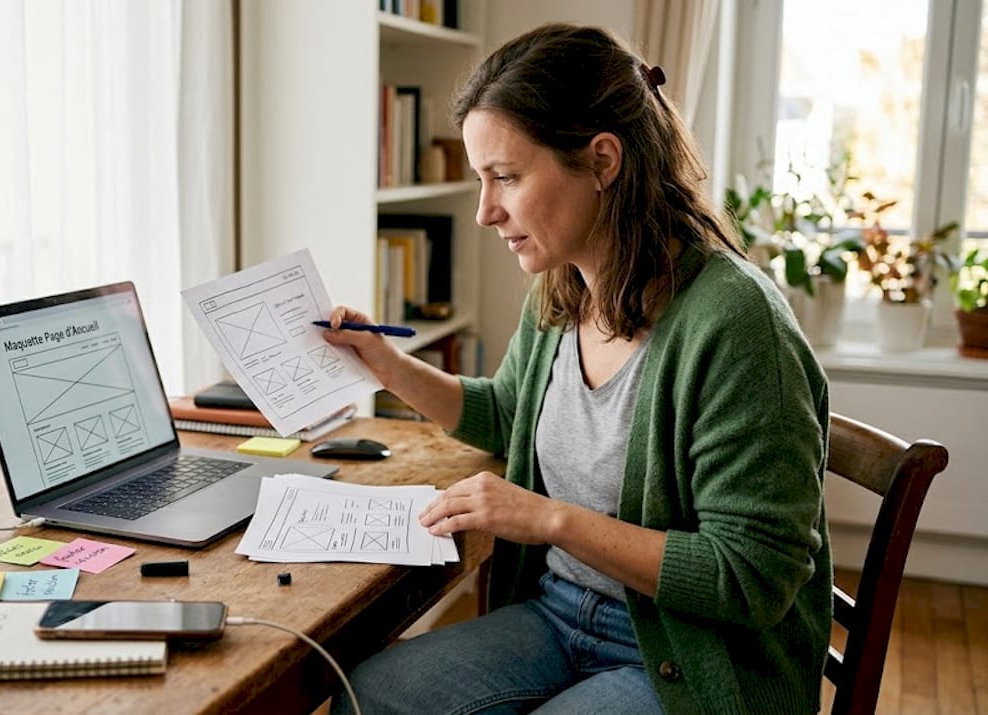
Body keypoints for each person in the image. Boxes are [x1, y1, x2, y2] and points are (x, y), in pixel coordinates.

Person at [324, 22, 832, 715]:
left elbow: (750, 577)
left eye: (505, 176)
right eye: (481, 179)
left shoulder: (737, 324)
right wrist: (385, 364)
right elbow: (506, 413)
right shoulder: (564, 288)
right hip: (562, 611)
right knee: (368, 693)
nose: (483, 211)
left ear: (601, 161)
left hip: (696, 649)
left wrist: (549, 519)